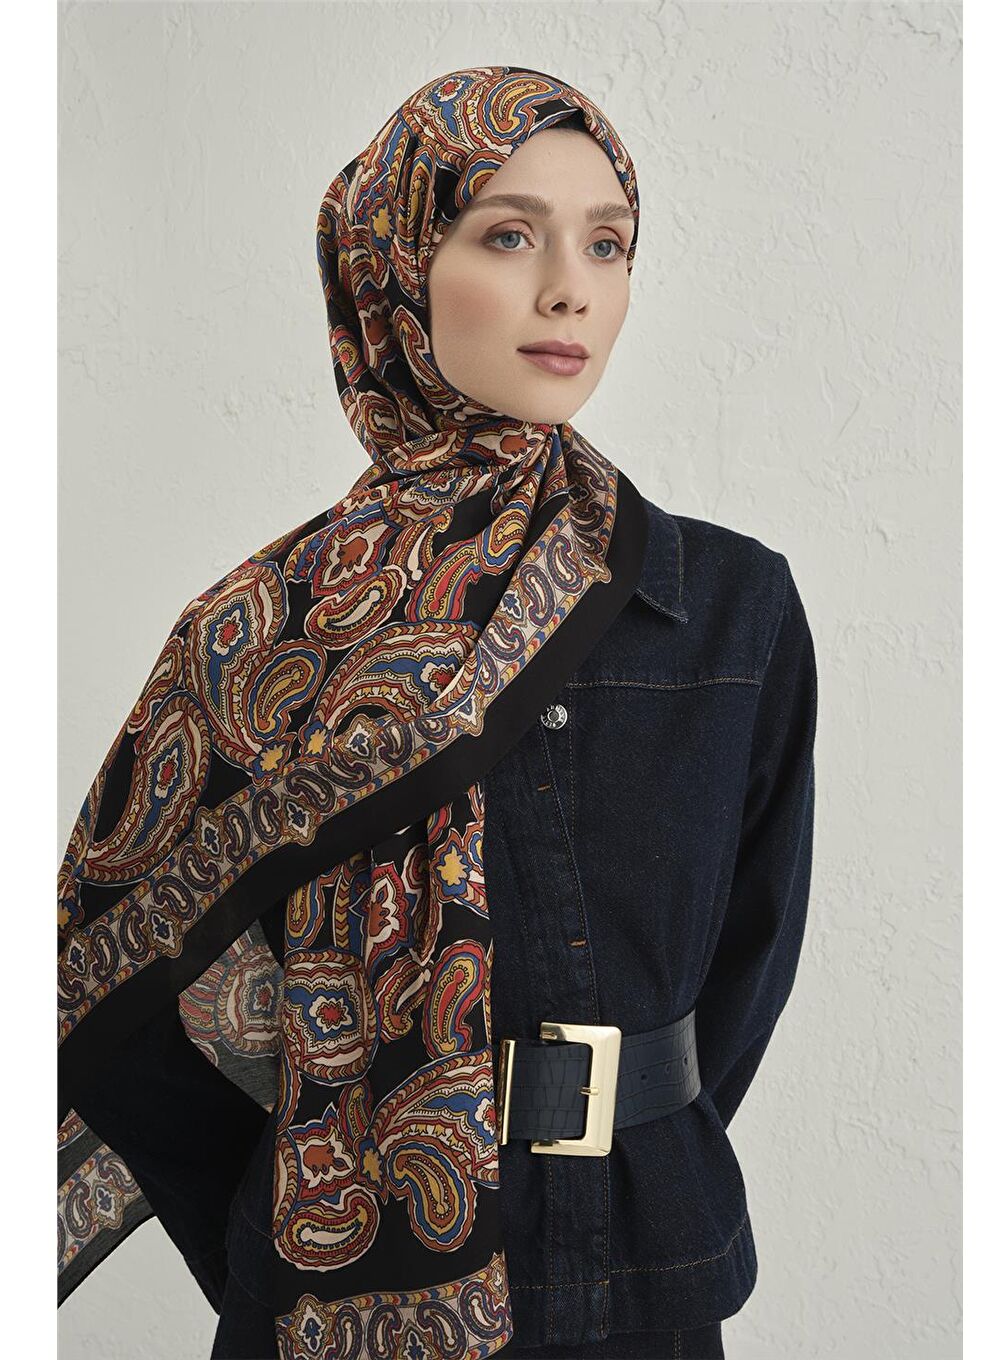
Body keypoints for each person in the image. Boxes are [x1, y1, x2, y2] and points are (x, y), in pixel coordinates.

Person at [58, 68, 817, 1360]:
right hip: (321, 1301)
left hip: (638, 1290)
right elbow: (103, 991)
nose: (570, 289)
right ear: (395, 269)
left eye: (608, 243)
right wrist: (294, 1211)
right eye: (509, 235)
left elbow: (747, 970)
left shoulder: (727, 609)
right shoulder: (259, 629)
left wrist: (624, 1140)